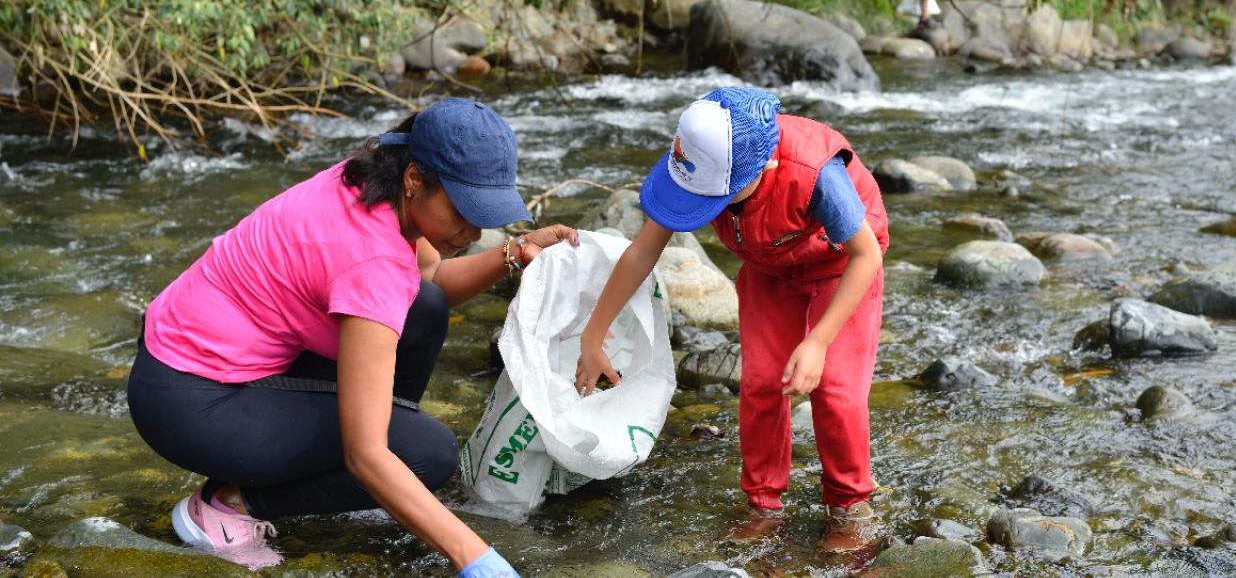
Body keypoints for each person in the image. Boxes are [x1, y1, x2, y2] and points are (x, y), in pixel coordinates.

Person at [127, 98, 572, 576]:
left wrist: (514, 251)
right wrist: (476, 558)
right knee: (424, 455)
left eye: (486, 213)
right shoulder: (371, 261)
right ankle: (227, 504)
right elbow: (366, 454)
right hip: (191, 403)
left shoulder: (372, 180)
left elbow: (433, 279)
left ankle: (346, 488)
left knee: (426, 307)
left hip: (194, 365)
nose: (474, 229)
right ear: (415, 180)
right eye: (463, 209)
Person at [575, 88, 889, 553]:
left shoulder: (816, 173)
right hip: (770, 268)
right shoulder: (693, 159)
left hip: (842, 266)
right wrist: (593, 333)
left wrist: (818, 342)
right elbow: (641, 252)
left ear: (763, 169)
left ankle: (850, 506)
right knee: (761, 381)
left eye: (715, 196)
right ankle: (763, 505)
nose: (702, 203)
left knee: (836, 388)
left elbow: (866, 256)